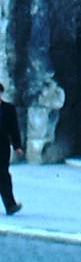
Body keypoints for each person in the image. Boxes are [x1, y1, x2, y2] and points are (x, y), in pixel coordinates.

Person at [0, 81, 24, 216]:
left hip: (2, 148)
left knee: (4, 176)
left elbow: (14, 129)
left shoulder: (8, 109)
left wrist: (17, 146)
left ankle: (10, 205)